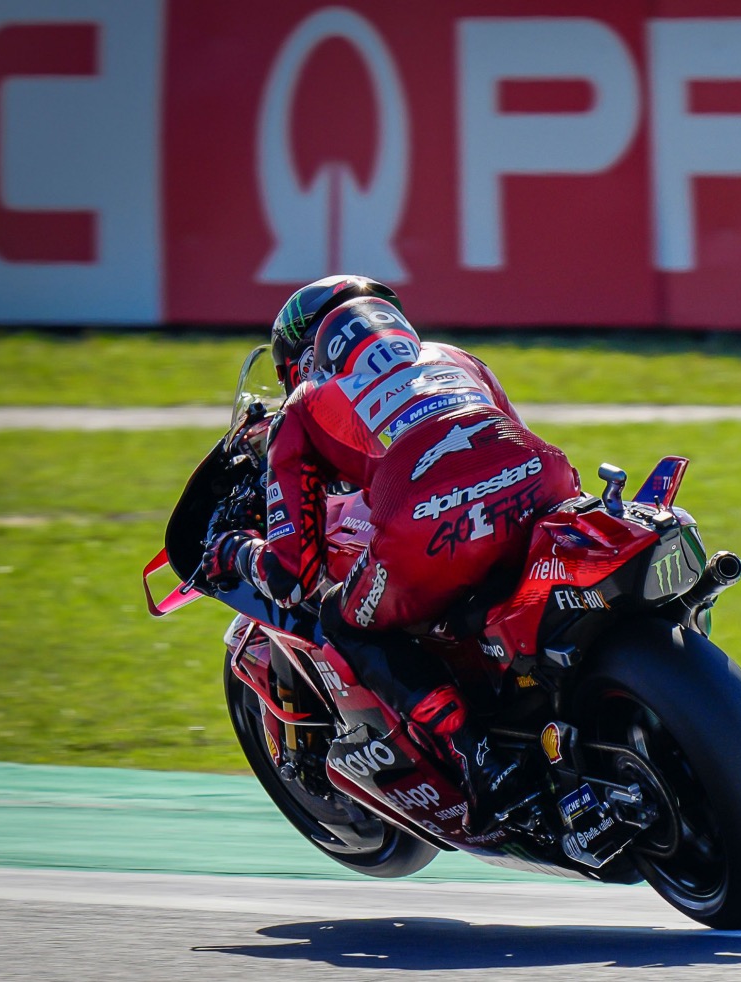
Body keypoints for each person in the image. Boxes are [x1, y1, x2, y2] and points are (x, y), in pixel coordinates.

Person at [201, 274, 579, 833]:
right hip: (543, 480)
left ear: (304, 362)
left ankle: (479, 756)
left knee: (343, 620)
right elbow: (508, 433)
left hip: (429, 526)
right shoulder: (455, 357)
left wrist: (235, 552)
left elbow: (292, 577)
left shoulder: (304, 407)